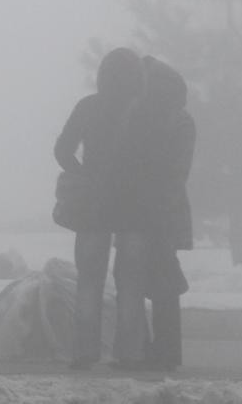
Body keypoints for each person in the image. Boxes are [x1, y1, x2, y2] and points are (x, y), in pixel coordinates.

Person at [53, 46, 144, 370]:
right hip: (134, 205)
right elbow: (156, 158)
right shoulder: (143, 110)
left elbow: (62, 149)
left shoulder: (88, 106)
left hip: (94, 206)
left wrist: (83, 175)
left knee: (89, 282)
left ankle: (85, 352)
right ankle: (130, 353)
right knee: (131, 283)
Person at [121, 56, 195, 371]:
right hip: (167, 209)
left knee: (140, 279)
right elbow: (177, 171)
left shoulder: (141, 114)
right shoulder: (180, 119)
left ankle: (151, 350)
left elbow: (133, 163)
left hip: (146, 209)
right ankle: (166, 350)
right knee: (163, 279)